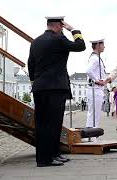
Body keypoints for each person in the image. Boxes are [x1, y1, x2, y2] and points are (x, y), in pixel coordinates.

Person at [28, 16, 86, 167]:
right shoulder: (58, 39)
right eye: (62, 26)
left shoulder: (36, 41)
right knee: (53, 124)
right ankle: (47, 158)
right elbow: (80, 46)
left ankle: (51, 155)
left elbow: (31, 64)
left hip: (40, 87)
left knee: (42, 124)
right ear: (59, 26)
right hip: (55, 88)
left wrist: (35, 83)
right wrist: (73, 30)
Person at [85, 38, 107, 135]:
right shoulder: (94, 58)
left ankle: (92, 136)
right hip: (95, 89)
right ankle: (91, 137)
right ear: (98, 45)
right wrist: (97, 81)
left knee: (94, 115)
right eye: (103, 44)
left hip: (96, 89)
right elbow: (88, 71)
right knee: (93, 115)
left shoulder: (96, 57)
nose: (104, 46)